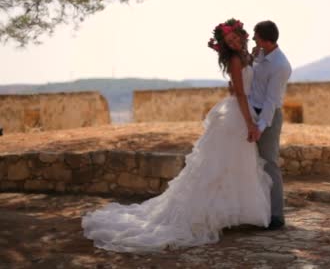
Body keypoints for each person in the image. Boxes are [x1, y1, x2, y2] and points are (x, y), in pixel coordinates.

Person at [81, 18, 272, 252]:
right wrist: (250, 123)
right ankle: (206, 216)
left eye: (235, 37)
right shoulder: (234, 59)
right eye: (229, 41)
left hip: (241, 113)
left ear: (242, 34)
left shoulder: (247, 55)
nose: (233, 42)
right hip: (238, 116)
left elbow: (247, 80)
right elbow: (240, 94)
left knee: (236, 165)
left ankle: (233, 215)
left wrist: (253, 53)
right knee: (218, 167)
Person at [248, 20, 292, 230]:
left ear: (264, 39)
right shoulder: (260, 54)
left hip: (268, 117)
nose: (253, 39)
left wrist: (260, 126)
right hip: (250, 112)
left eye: (255, 36)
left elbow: (271, 101)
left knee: (270, 163)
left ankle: (276, 215)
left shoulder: (280, 65)